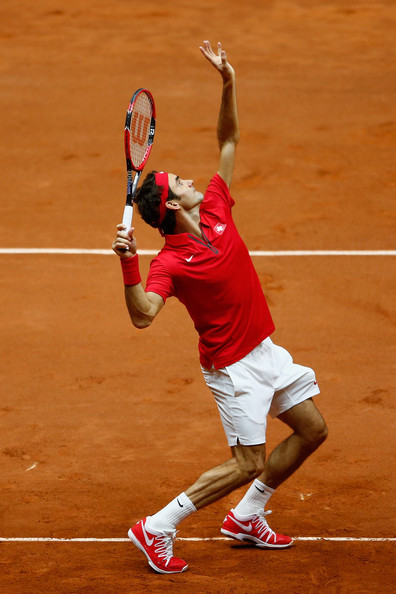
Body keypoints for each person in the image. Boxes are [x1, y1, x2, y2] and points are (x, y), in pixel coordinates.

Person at [112, 40, 328, 575]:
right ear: (170, 204)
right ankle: (158, 526)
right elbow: (143, 314)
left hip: (265, 349)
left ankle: (247, 516)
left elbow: (228, 137)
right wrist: (129, 262)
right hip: (232, 369)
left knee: (312, 430)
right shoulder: (169, 263)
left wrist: (228, 82)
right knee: (246, 461)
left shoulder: (214, 203)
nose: (188, 177)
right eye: (176, 181)